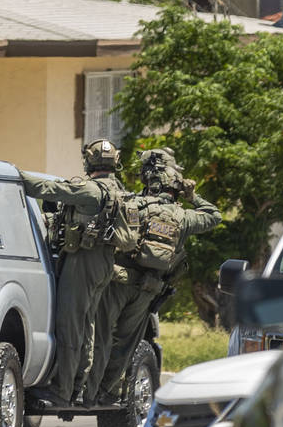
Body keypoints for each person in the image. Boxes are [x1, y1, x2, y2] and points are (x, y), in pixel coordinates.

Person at [83, 148, 221, 405]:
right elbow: (214, 215)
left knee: (100, 338)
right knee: (124, 345)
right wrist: (193, 196)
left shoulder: (133, 205)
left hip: (118, 282)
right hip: (148, 289)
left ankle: (86, 393)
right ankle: (106, 393)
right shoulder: (183, 217)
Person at [21, 138, 130, 409]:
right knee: (87, 326)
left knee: (70, 326)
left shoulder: (91, 190)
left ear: (89, 161)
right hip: (105, 263)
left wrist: (14, 175)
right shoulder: (119, 190)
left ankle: (62, 391)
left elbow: (46, 188)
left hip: (83, 261)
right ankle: (80, 388)